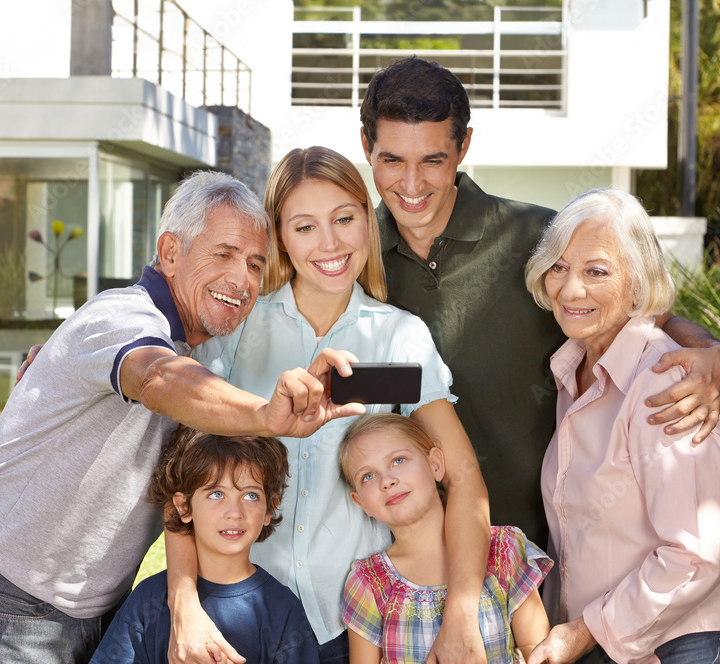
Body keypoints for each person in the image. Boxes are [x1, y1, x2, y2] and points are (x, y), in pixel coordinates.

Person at [0, 171, 364, 664]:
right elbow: (157, 380)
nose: (243, 279)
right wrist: (263, 415)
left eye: (255, 264)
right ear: (170, 252)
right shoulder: (124, 317)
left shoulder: (197, 353)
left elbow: (181, 483)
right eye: (224, 254)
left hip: (98, 606)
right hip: (18, 601)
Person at [360, 56, 720, 543]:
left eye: (432, 160)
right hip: (405, 564)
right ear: (367, 147)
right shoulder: (350, 256)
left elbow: (643, 312)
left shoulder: (540, 237)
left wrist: (715, 355)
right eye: (392, 160)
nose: (411, 186)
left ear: (464, 147)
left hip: (545, 557)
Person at [181, 147, 491, 664]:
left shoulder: (399, 336)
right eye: (304, 227)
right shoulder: (240, 325)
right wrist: (183, 599)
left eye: (344, 219)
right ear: (279, 234)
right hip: (238, 616)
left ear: (367, 221)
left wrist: (461, 612)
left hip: (353, 625)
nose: (329, 243)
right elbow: (182, 470)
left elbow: (462, 477)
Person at [522, 189, 720, 663]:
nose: (571, 289)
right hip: (636, 647)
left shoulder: (666, 380)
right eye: (559, 267)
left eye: (596, 271)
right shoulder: (576, 375)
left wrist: (585, 631)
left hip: (694, 643)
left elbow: (697, 552)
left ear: (638, 284)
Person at [90, 427, 320, 664]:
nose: (234, 513)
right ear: (184, 507)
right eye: (216, 494)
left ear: (269, 509)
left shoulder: (283, 609)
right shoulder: (148, 600)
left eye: (251, 495)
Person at [339, 413, 552, 664]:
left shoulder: (504, 550)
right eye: (368, 476)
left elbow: (537, 650)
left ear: (435, 465)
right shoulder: (368, 583)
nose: (387, 481)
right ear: (360, 502)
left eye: (398, 460)